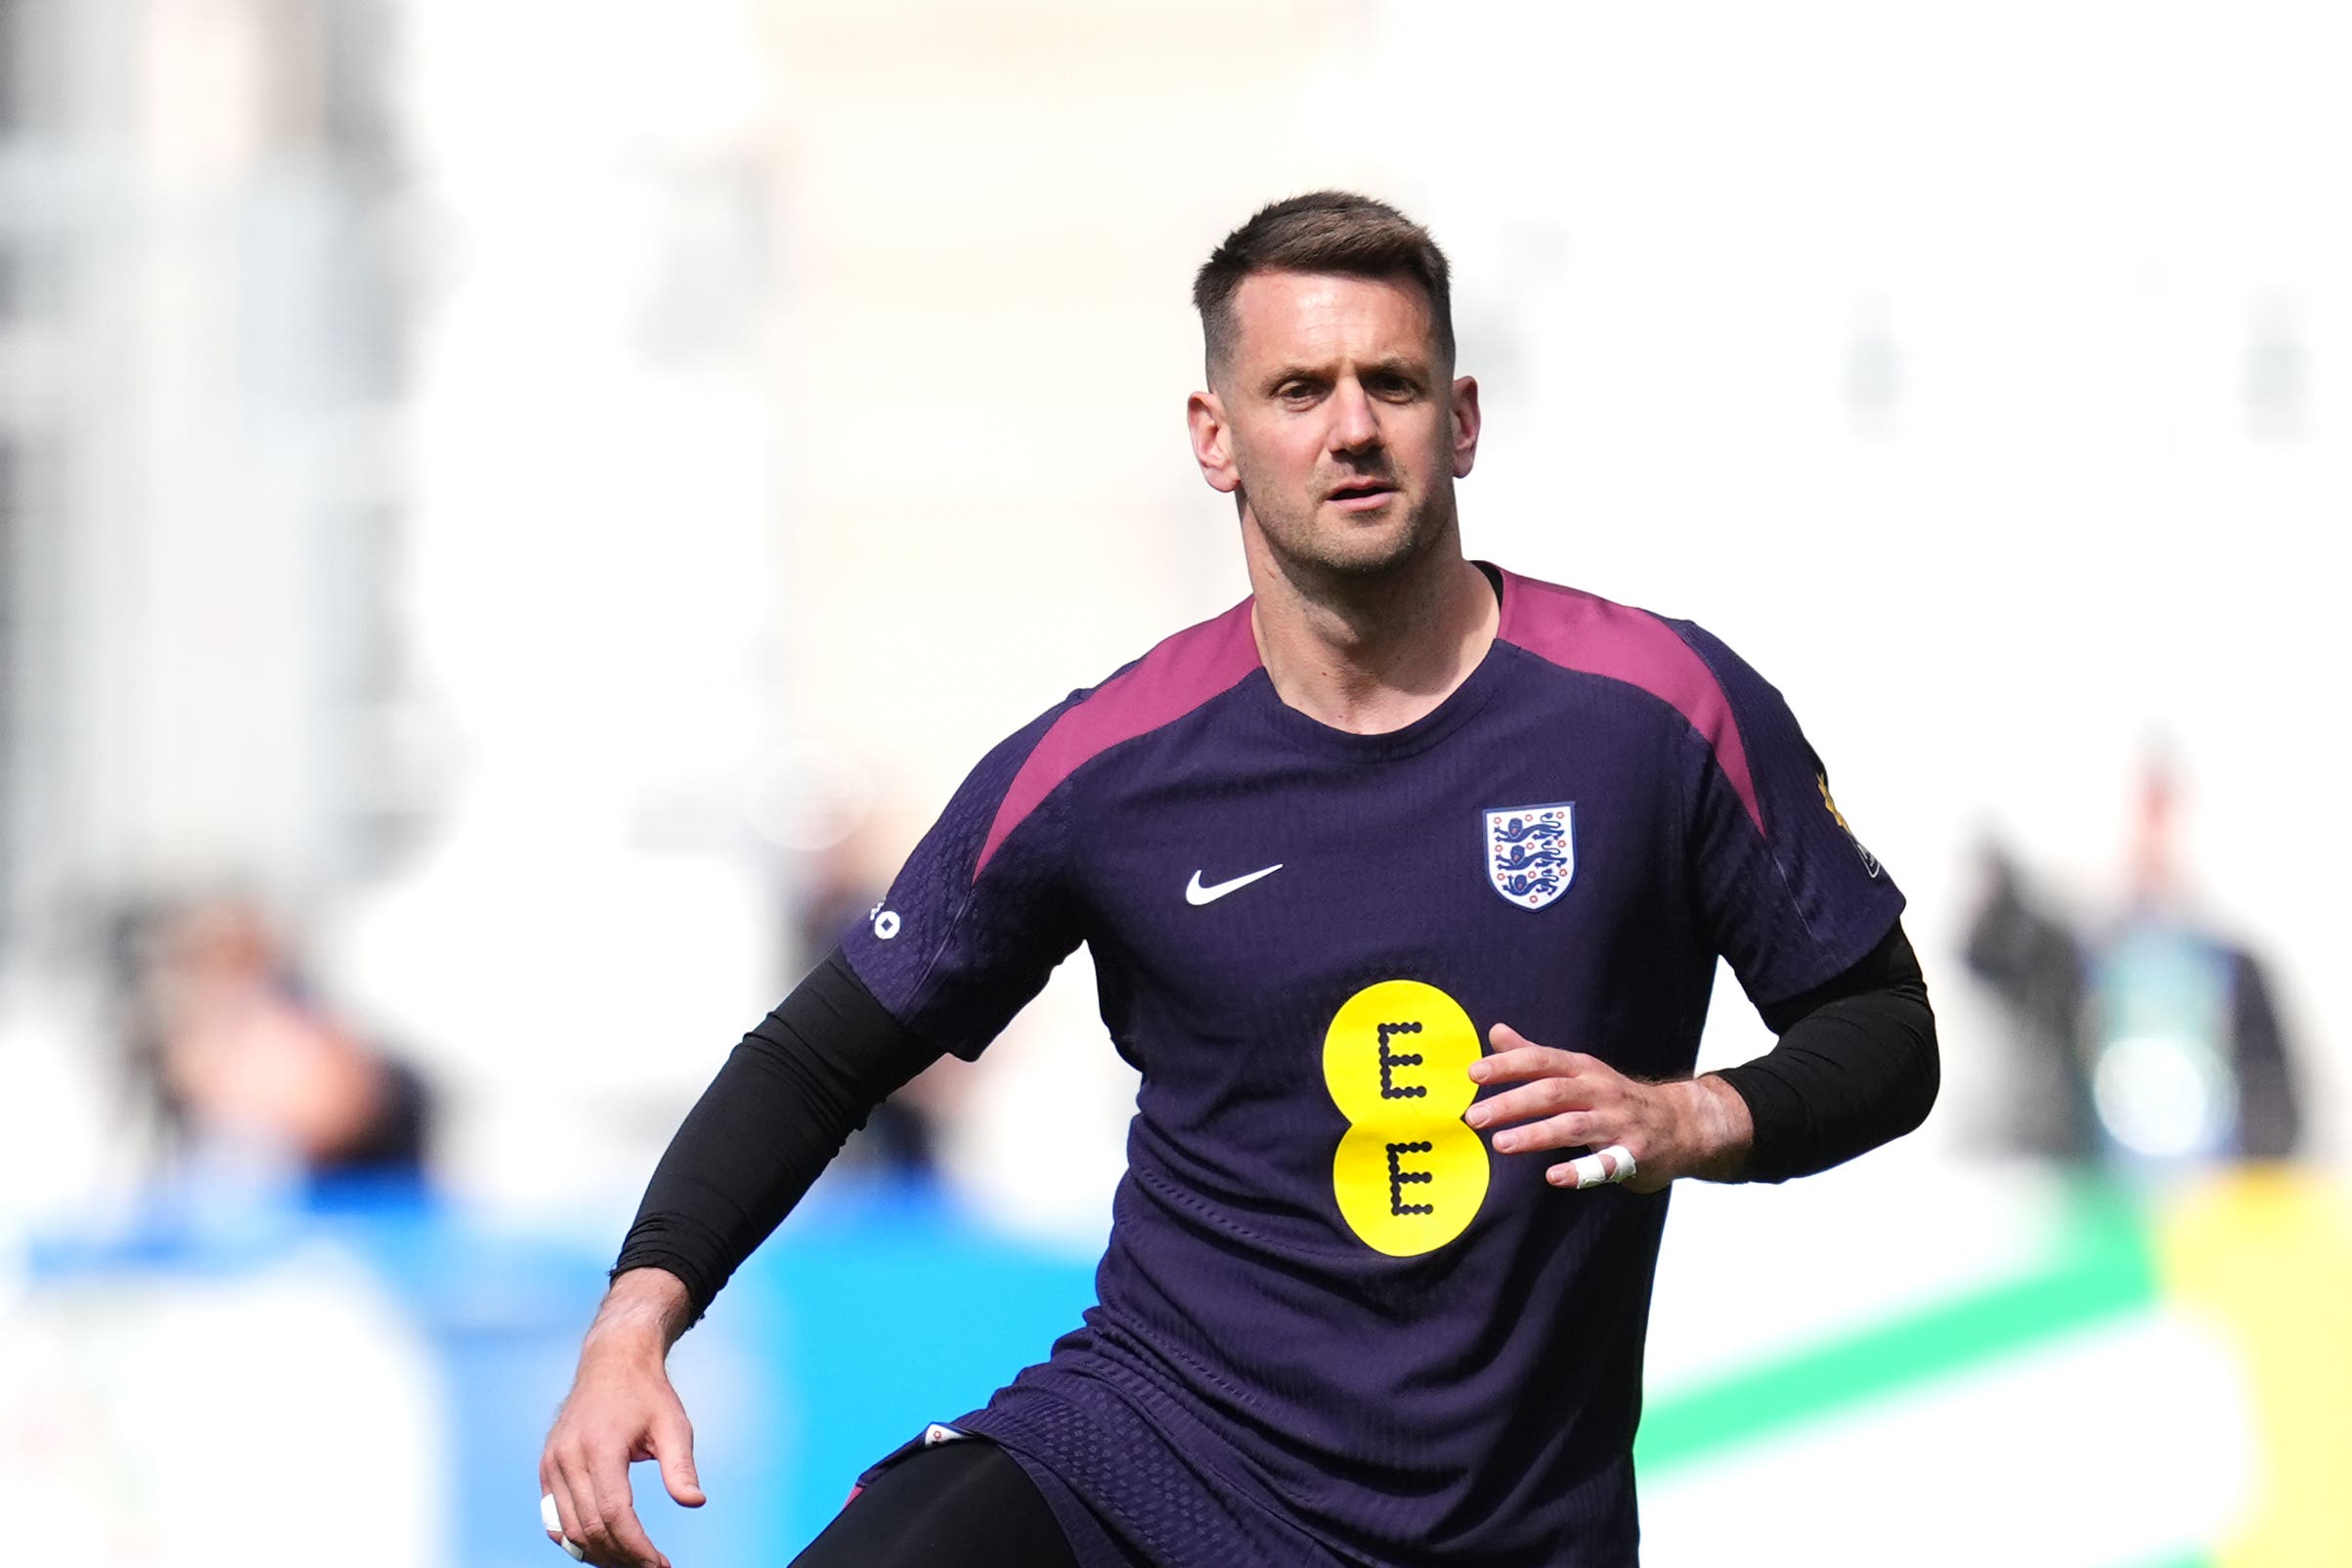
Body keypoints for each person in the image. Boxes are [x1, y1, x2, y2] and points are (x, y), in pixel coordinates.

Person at [539, 193, 1939, 1568]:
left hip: (1507, 1528)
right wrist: (634, 1320)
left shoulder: (1655, 709)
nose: (1350, 427)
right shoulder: (1108, 764)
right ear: (1215, 437)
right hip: (1148, 1462)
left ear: (1459, 419)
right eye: (1298, 388)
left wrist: (1697, 1112)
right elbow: (818, 1055)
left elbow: (1885, 1031)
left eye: (1390, 383)